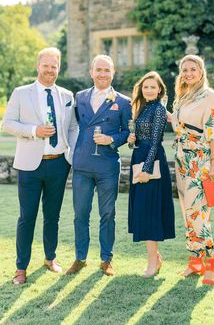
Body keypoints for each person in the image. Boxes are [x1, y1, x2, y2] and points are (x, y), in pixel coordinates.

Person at [2, 47, 78, 285]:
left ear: (59, 68)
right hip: (30, 166)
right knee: (27, 217)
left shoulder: (67, 96)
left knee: (52, 217)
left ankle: (50, 258)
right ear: (38, 66)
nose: (50, 70)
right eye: (46, 65)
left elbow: (74, 127)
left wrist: (72, 153)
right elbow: (7, 124)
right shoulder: (21, 93)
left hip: (58, 165)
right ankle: (21, 268)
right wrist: (34, 131)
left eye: (54, 66)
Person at [66, 55, 131, 276]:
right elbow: (73, 126)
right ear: (91, 72)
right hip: (83, 164)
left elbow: (128, 132)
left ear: (113, 73)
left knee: (107, 213)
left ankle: (106, 259)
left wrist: (111, 139)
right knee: (80, 214)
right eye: (99, 70)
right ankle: (80, 258)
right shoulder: (80, 97)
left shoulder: (122, 101)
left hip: (107, 166)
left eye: (107, 70)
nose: (102, 74)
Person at [171, 54, 214, 285]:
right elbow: (178, 125)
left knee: (199, 214)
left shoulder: (209, 96)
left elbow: (213, 131)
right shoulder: (182, 96)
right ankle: (195, 262)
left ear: (201, 71)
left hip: (201, 160)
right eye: (185, 70)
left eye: (193, 69)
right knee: (188, 213)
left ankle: (211, 264)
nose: (188, 73)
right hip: (182, 160)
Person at [128, 71, 175, 277]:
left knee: (148, 212)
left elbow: (156, 142)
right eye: (145, 87)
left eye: (152, 87)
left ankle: (152, 263)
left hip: (151, 162)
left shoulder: (158, 109)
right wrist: (132, 140)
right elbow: (142, 138)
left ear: (159, 90)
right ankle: (155, 258)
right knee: (143, 211)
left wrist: (147, 170)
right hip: (140, 157)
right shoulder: (143, 108)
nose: (148, 90)